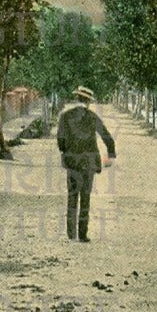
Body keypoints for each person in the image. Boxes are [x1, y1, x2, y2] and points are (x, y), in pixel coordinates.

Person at [57, 85, 116, 243]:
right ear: (88, 101)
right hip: (88, 163)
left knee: (72, 196)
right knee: (85, 198)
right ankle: (83, 235)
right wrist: (111, 155)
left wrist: (66, 151)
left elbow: (60, 141)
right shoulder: (92, 117)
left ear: (76, 98)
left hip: (72, 163)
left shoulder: (65, 116)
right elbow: (107, 137)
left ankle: (71, 234)